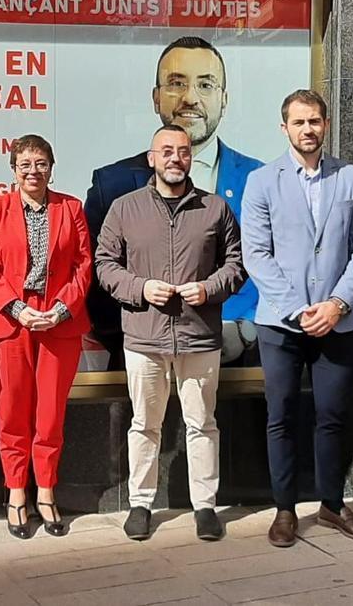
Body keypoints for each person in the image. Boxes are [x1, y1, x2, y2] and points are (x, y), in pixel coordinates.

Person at [95, 124, 244, 542]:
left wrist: (208, 289)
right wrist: (140, 289)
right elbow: (104, 264)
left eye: (182, 151)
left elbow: (235, 265)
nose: (175, 158)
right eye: (166, 151)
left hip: (199, 336)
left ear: (190, 158)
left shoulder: (214, 208)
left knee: (202, 423)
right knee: (144, 423)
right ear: (151, 158)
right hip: (144, 336)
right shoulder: (125, 208)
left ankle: (205, 507)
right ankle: (141, 503)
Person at [241, 89, 353, 548]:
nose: (308, 129)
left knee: (333, 416)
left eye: (315, 121)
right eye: (299, 122)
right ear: (285, 128)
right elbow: (256, 255)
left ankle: (333, 506)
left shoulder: (351, 177)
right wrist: (299, 311)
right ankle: (284, 510)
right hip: (281, 323)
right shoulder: (262, 181)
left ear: (327, 124)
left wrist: (336, 304)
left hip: (338, 320)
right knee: (280, 415)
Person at [85, 36, 263, 370]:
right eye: (176, 83)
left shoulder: (260, 179)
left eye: (206, 85)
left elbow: (269, 261)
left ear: (224, 100)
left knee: (209, 425)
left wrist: (246, 329)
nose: (190, 98)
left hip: (238, 357)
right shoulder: (112, 184)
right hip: (141, 351)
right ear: (156, 98)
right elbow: (97, 271)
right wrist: (125, 336)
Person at [0, 135, 92, 539]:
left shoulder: (71, 208)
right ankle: (15, 494)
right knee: (12, 412)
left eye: (40, 163)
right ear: (13, 170)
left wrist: (60, 309)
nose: (33, 171)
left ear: (51, 167)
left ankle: (45, 491)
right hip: (11, 323)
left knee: (49, 415)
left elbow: (83, 265)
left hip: (59, 322)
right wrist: (16, 307)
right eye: (24, 164)